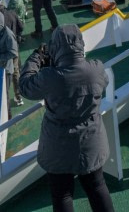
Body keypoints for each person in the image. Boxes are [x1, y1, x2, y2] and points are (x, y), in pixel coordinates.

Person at [19, 25, 114, 212]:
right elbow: (101, 82)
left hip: (58, 146)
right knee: (97, 186)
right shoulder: (96, 69)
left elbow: (25, 86)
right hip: (91, 141)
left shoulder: (49, 77)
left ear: (55, 48)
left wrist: (37, 56)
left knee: (62, 194)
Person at [0, 9, 23, 107]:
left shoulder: (8, 35)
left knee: (4, 94)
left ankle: (8, 116)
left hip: (5, 70)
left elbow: (13, 53)